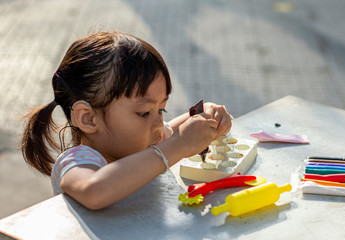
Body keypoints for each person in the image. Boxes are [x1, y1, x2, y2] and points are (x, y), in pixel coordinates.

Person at [21, 32, 232, 210]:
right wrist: (179, 145)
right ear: (88, 118)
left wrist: (205, 116)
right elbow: (95, 191)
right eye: (144, 113)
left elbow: (174, 130)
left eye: (161, 109)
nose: (159, 123)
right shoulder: (79, 162)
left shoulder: (143, 140)